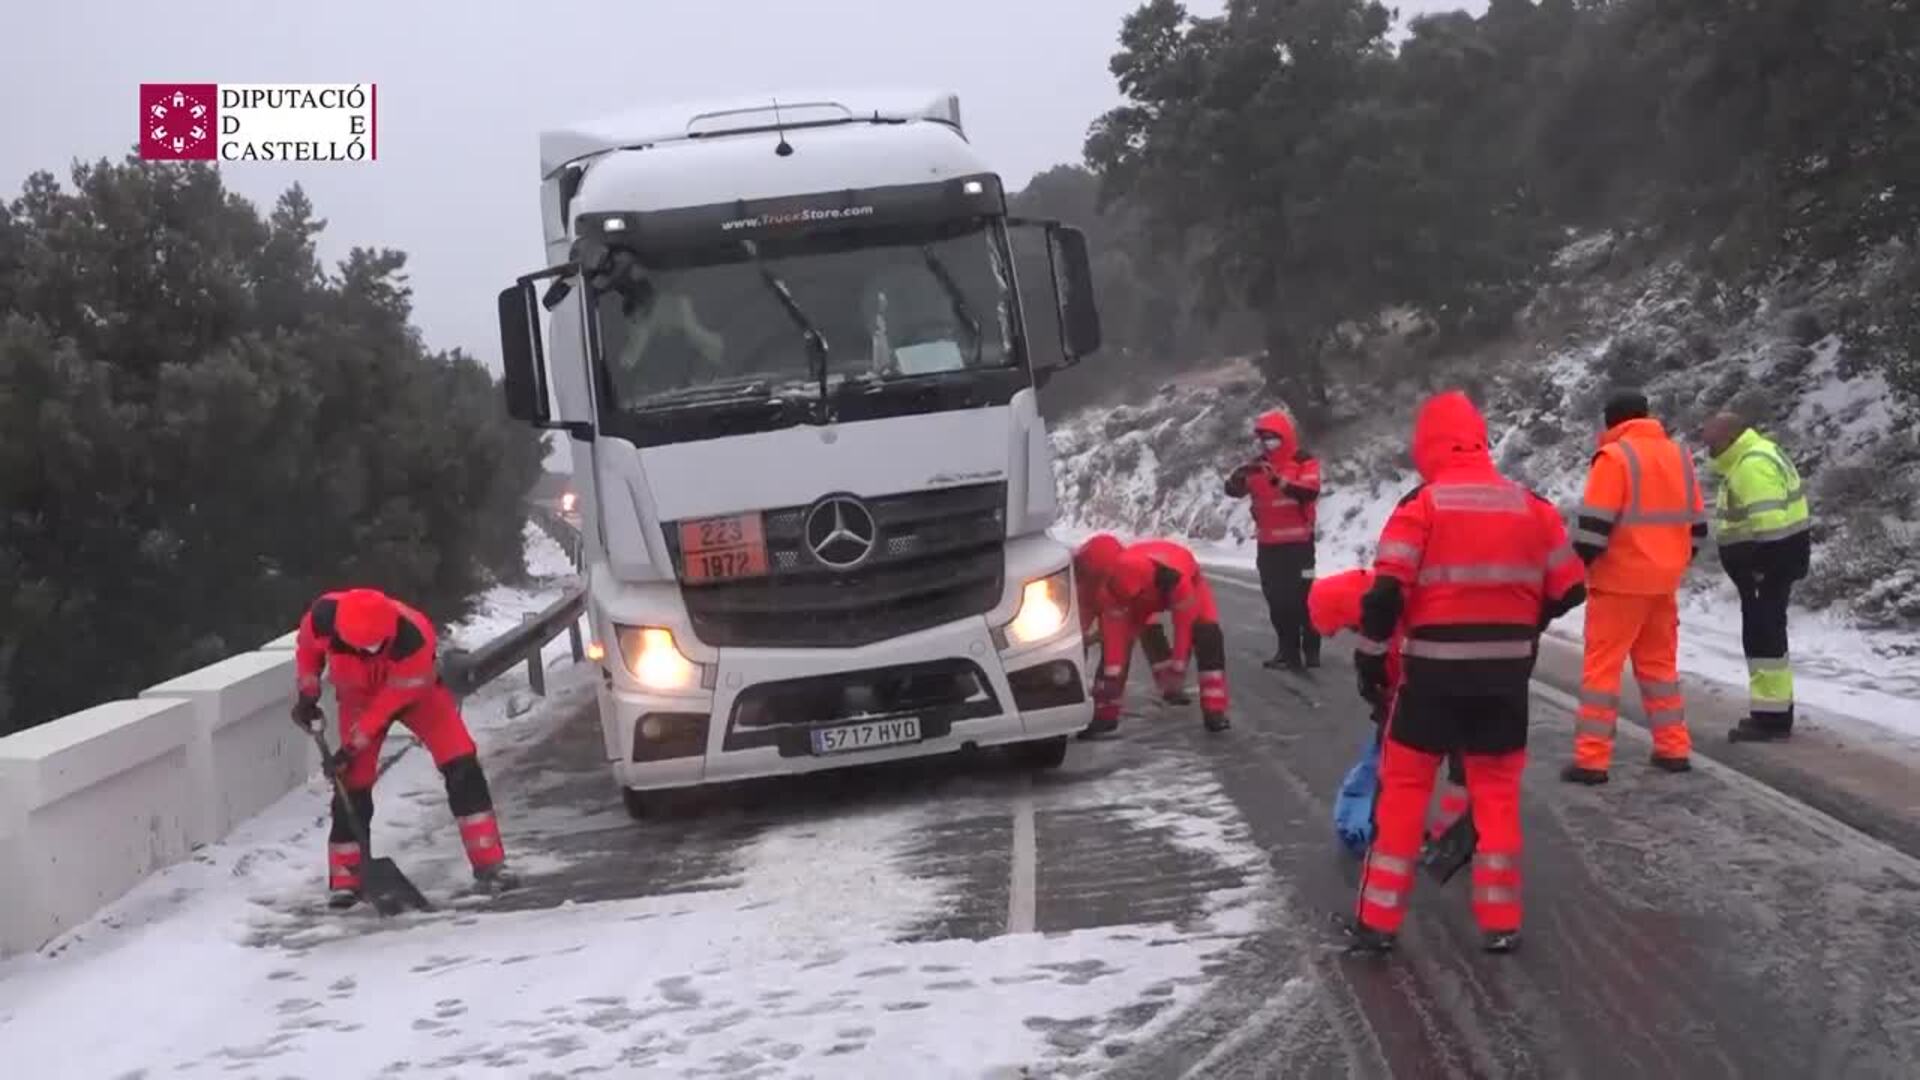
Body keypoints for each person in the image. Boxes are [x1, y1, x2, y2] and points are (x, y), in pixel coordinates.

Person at [1347, 391, 1588, 955]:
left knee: (1404, 794)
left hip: (1430, 678)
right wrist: (1524, 620)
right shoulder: (1533, 507)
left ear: (1428, 445)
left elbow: (1384, 594)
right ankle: (1501, 921)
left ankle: (1378, 924)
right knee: (1496, 796)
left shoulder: (1422, 506)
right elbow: (1571, 587)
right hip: (1503, 682)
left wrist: (1370, 656)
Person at [291, 587, 517, 908]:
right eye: (363, 647)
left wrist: (352, 747)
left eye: (376, 646)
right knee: (351, 783)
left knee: (461, 763)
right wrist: (308, 692)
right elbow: (308, 651)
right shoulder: (322, 618)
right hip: (357, 698)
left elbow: (389, 705)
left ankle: (491, 864)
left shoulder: (414, 638)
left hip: (418, 696)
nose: (370, 652)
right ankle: (347, 879)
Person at [1563, 390, 1705, 783]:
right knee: (1659, 668)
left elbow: (1592, 530)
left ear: (1611, 422)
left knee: (1602, 673)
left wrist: (1577, 570)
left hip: (1619, 584)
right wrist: (1672, 562)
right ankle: (1673, 748)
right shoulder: (1679, 456)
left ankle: (1592, 761)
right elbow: (1698, 526)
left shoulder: (1614, 458)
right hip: (1664, 585)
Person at [1310, 568, 1473, 872]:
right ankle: (1446, 838)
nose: (1352, 634)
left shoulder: (1390, 623)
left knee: (1449, 767)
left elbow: (1406, 672)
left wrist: (1393, 715)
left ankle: (1448, 840)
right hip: (1456, 684)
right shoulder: (1390, 603)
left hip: (1452, 691)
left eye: (1348, 627)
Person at [1702, 412, 1812, 741]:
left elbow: (1770, 525)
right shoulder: (1758, 455)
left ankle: (1772, 718)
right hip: (1771, 567)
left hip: (1768, 568)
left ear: (1729, 438)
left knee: (1765, 638)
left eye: (1711, 441)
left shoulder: (1751, 466)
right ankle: (1772, 712)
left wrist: (1762, 569)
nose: (1706, 447)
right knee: (1766, 635)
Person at [1075, 536, 1231, 735]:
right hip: (1136, 594)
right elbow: (1115, 642)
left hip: (1185, 583)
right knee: (1116, 654)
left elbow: (1184, 629)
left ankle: (1214, 711)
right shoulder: (1112, 591)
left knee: (1208, 635)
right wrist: (1110, 680)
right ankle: (1105, 715)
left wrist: (1178, 668)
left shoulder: (1177, 581)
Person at [1225, 409, 1323, 671]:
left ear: (1285, 436)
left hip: (1300, 545)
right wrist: (1238, 475)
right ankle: (1287, 650)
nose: (1268, 443)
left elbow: (1309, 491)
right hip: (1269, 547)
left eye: (1273, 437)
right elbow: (1232, 491)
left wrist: (1278, 481)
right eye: (1264, 438)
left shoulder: (1304, 461)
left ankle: (1311, 648)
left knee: (1304, 598)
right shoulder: (1257, 466)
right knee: (1277, 600)